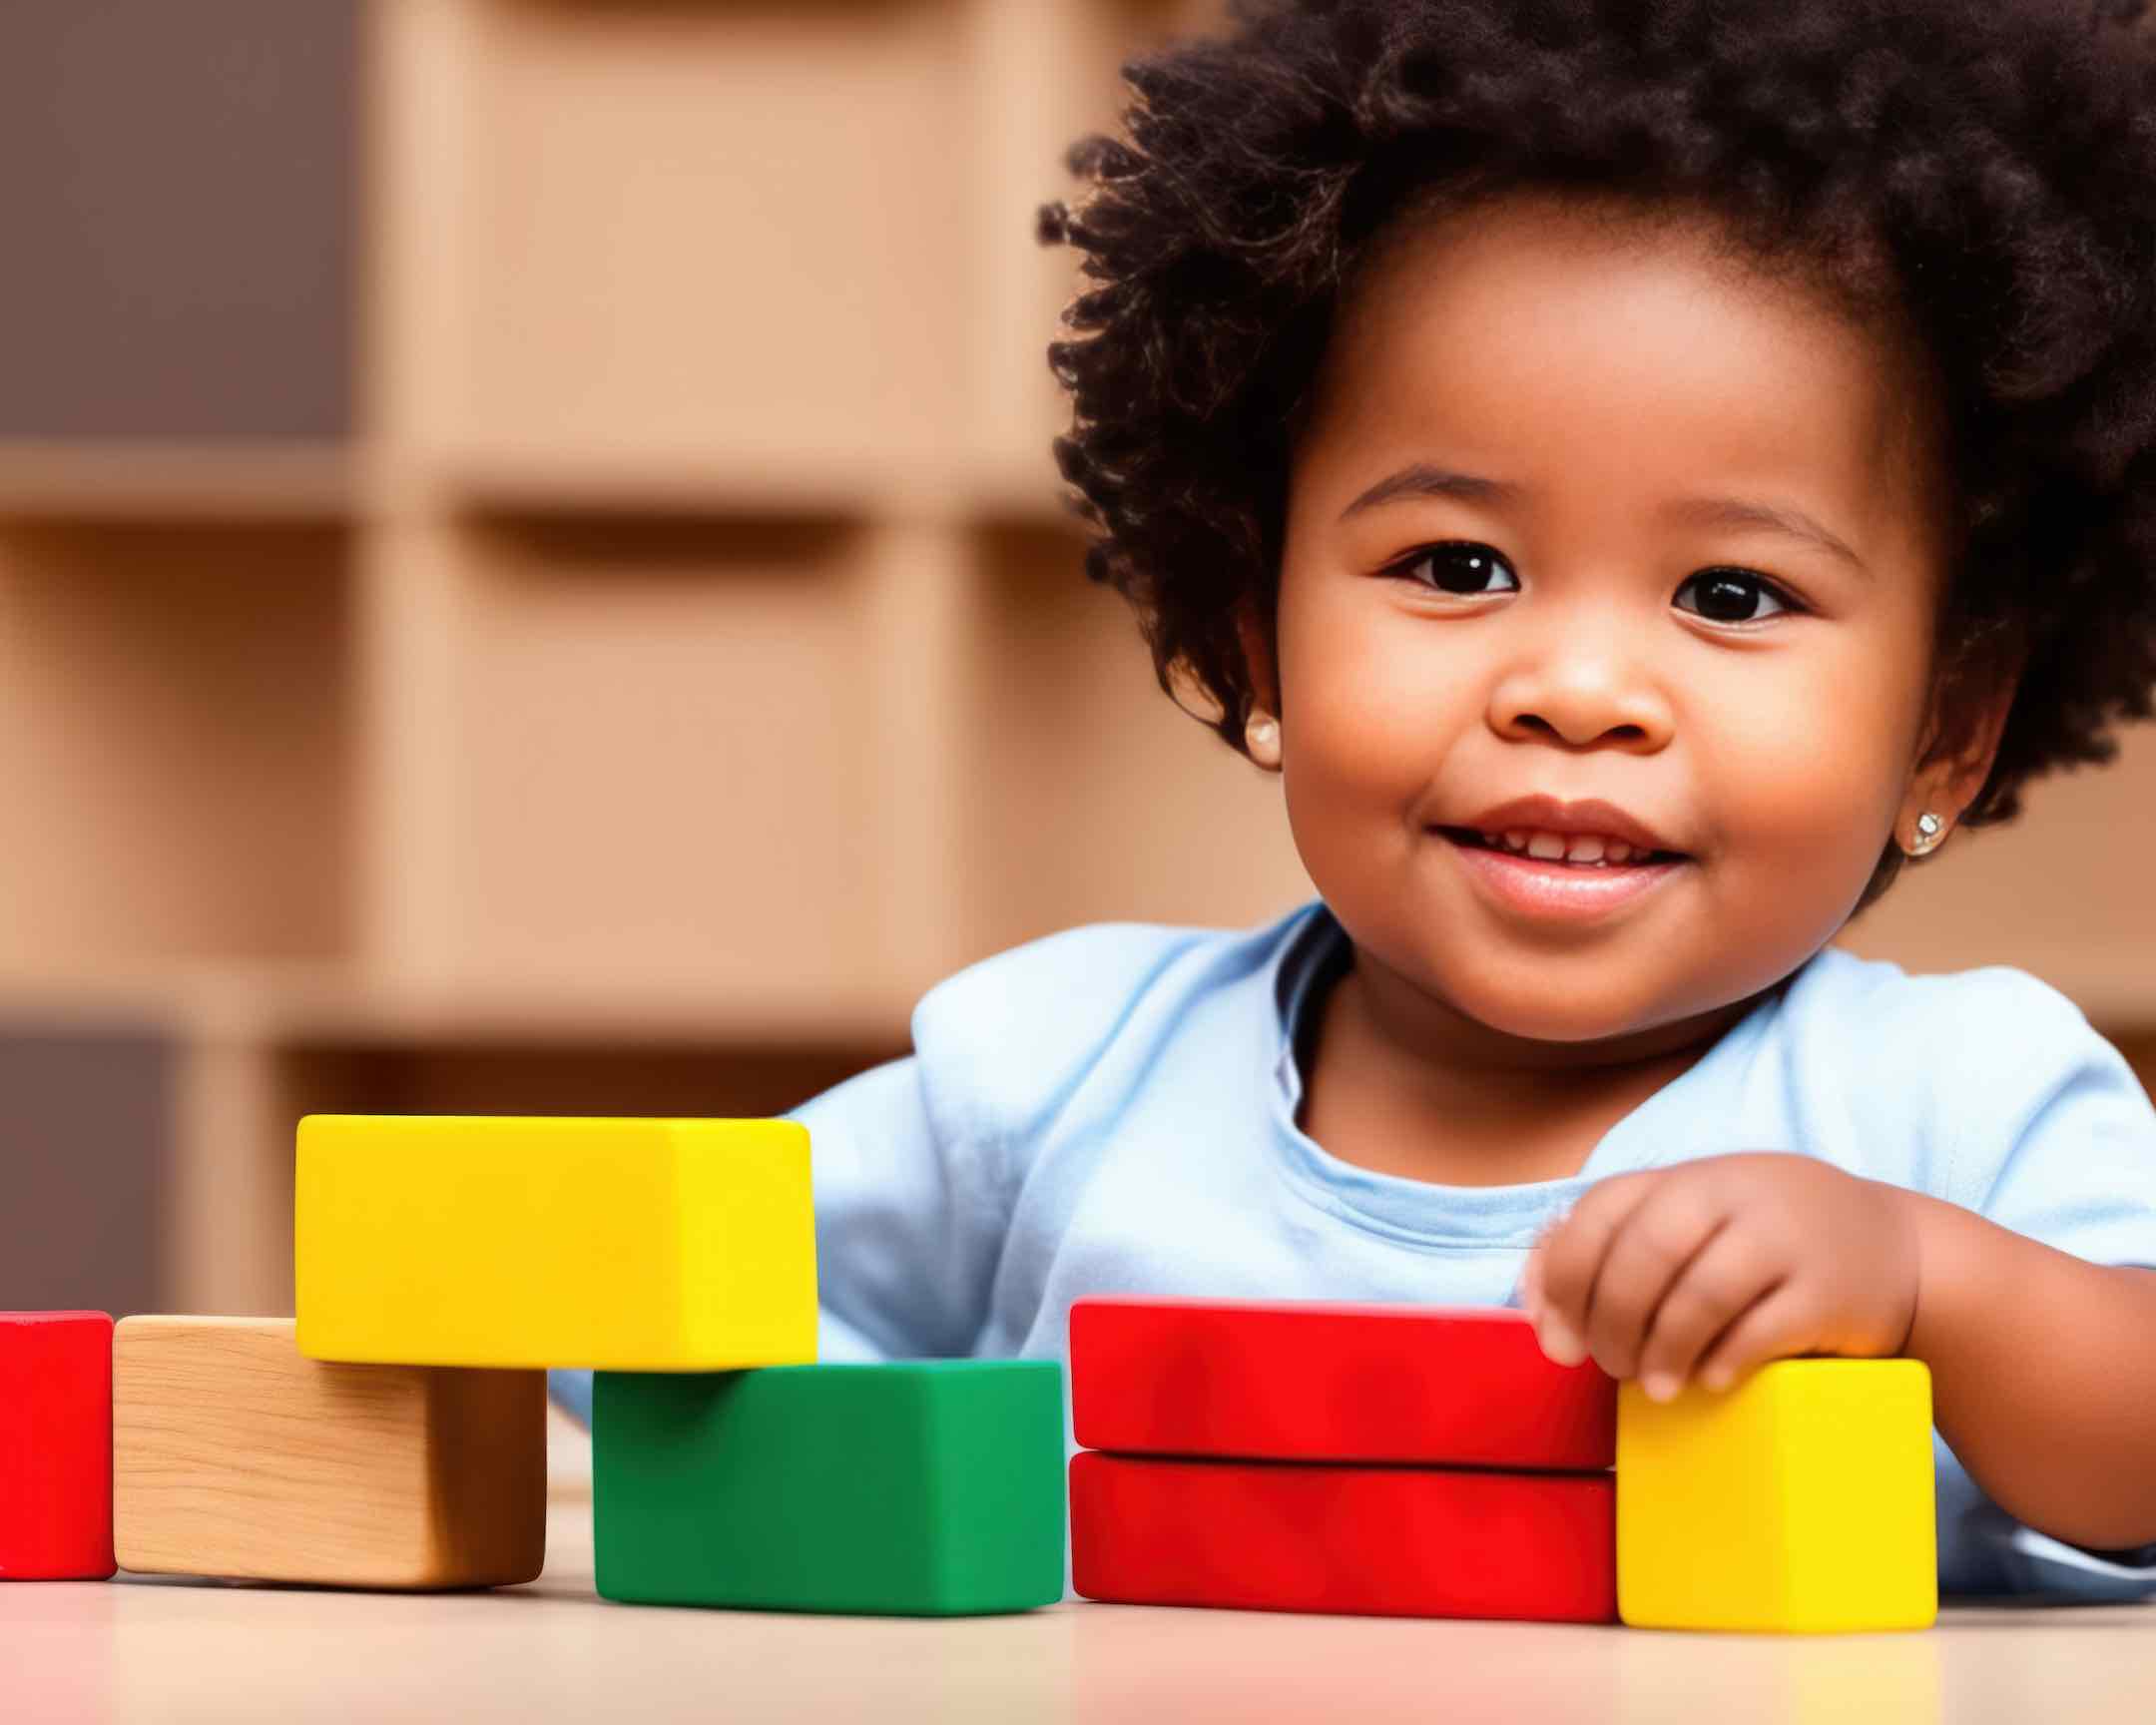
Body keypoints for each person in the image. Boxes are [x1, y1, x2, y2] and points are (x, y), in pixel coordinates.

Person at [561, 0, 2156, 1596]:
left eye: (1734, 595)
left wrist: (1929, 1281)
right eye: (1457, 568)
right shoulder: (1052, 1081)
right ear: (1257, 645)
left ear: (1947, 729)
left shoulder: (1955, 1109)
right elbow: (629, 1297)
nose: (1577, 691)